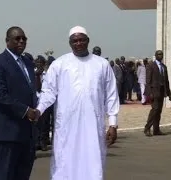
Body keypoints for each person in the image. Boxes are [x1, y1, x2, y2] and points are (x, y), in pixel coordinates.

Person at [36, 26, 119, 180]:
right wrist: (39, 110)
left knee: (93, 163)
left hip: (93, 125)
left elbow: (111, 95)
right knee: (65, 163)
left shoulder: (101, 64)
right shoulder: (60, 64)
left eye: (82, 40)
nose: (78, 43)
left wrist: (113, 124)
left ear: (88, 41)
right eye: (75, 40)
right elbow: (48, 92)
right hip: (67, 125)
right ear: (70, 43)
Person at [0, 26, 38, 180]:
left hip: (26, 132)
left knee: (22, 175)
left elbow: (30, 92)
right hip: (6, 133)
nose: (21, 41)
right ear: (7, 41)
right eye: (17, 38)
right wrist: (25, 110)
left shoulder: (27, 63)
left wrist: (37, 109)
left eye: (24, 38)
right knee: (5, 175)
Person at [144, 50, 171, 137]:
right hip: (154, 91)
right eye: (159, 54)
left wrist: (169, 93)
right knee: (155, 109)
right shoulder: (151, 65)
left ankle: (156, 130)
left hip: (162, 91)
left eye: (162, 54)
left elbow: (166, 81)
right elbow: (148, 80)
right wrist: (149, 92)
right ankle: (147, 128)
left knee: (159, 111)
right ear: (155, 55)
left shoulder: (164, 67)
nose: (161, 56)